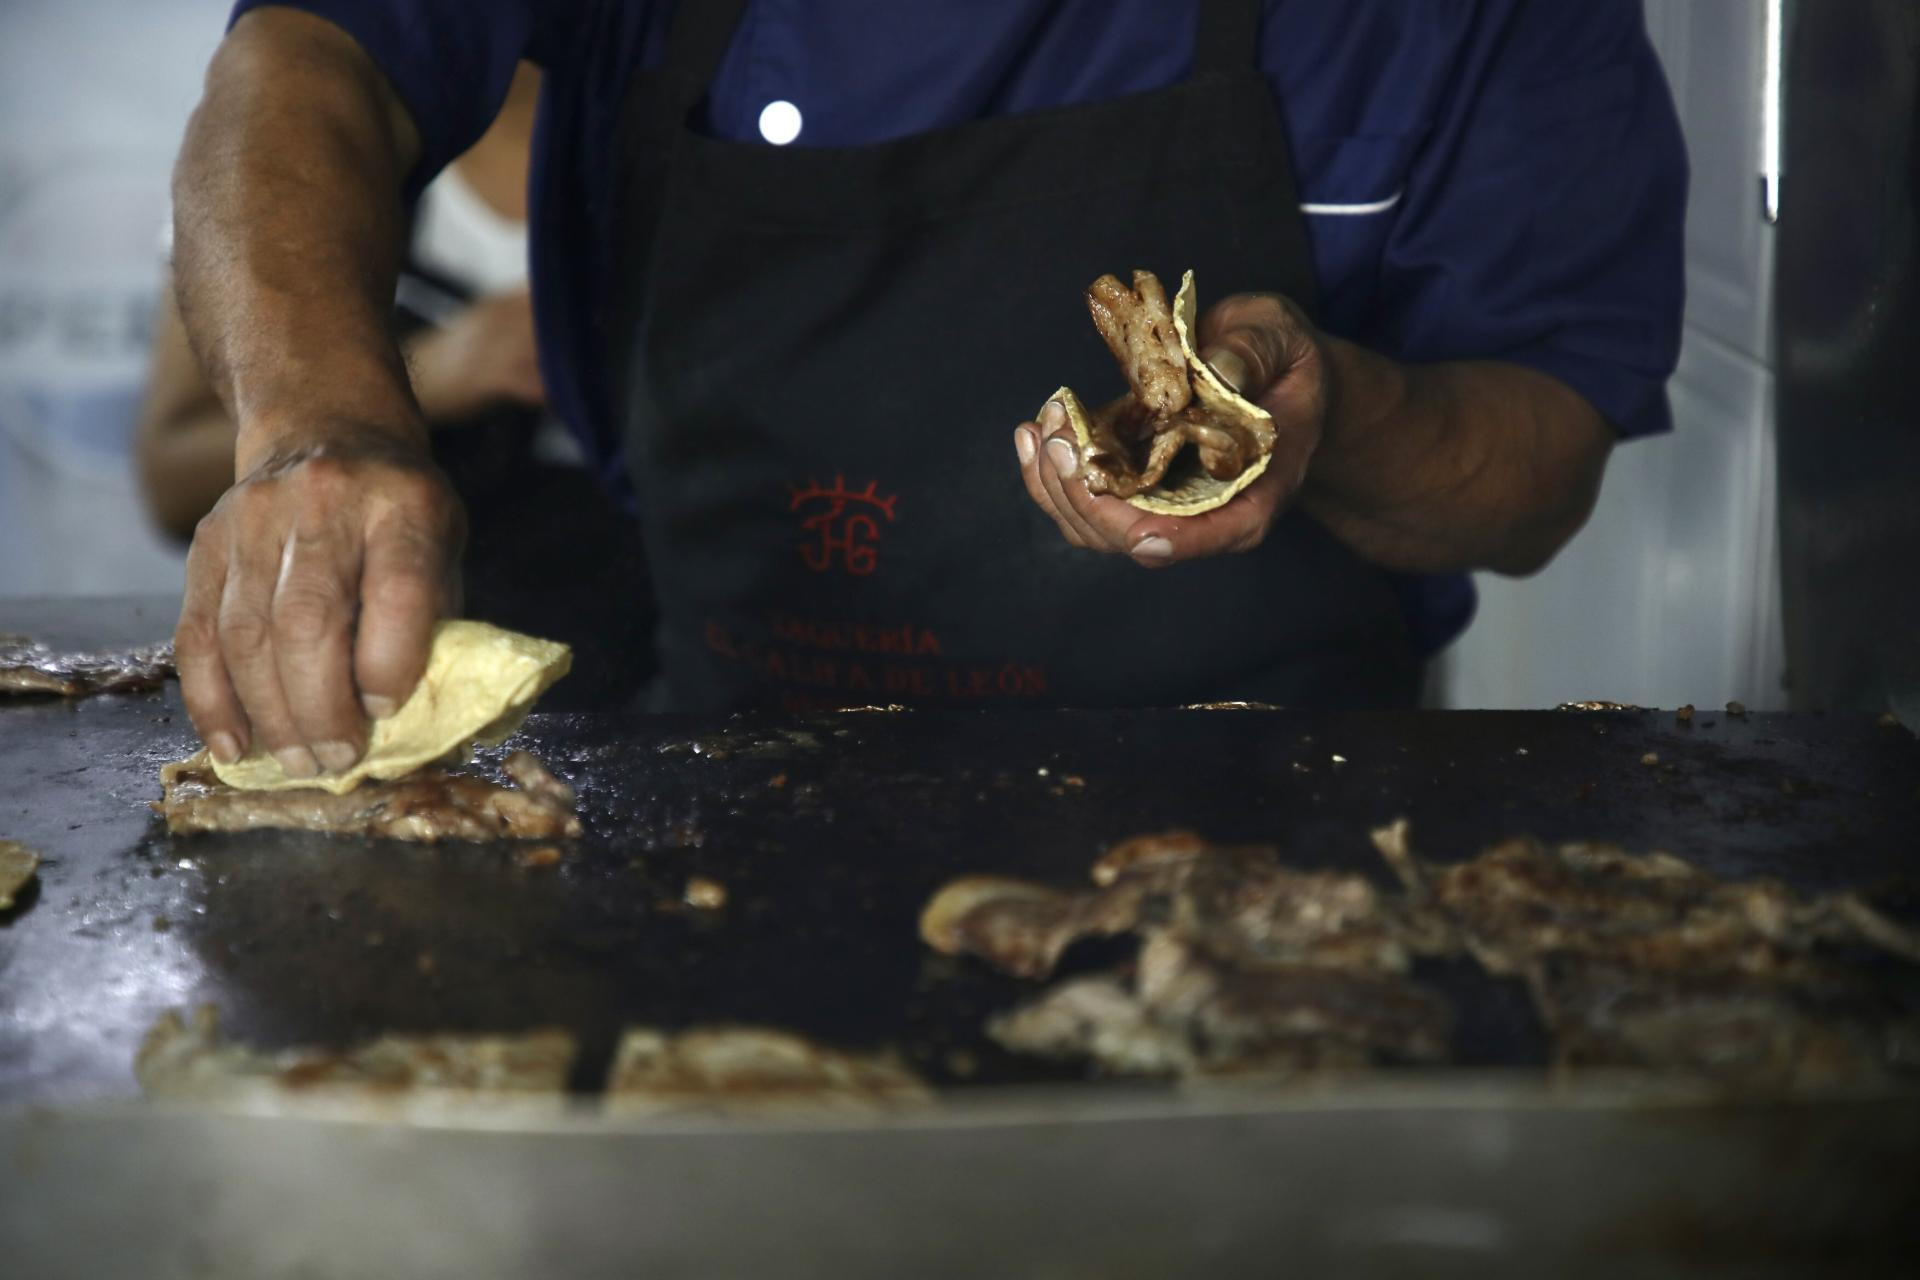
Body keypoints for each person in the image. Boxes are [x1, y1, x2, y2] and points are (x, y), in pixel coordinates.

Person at [166, 0, 1685, 779]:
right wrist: (320, 421)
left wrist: (1333, 414)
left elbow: (1540, 461)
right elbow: (312, 58)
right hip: (718, 819)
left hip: (1272, 850)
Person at [138, 62, 653, 710]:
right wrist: (430, 374)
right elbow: (171, 475)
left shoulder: (685, 147)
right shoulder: (284, 159)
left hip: (670, 653)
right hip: (389, 671)